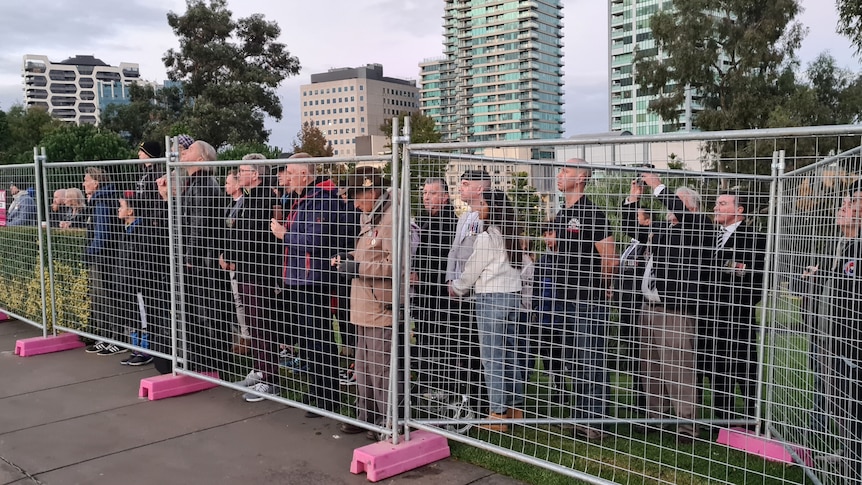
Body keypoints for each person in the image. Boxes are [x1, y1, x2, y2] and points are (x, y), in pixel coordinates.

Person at [622, 174, 710, 444]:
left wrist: (658, 186)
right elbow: (633, 229)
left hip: (674, 310)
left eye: (679, 204)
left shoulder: (699, 226)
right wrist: (633, 198)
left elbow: (682, 213)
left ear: (691, 208)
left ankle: (687, 426)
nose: (672, 209)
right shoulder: (664, 230)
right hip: (648, 308)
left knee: (678, 368)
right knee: (651, 368)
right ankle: (654, 419)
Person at [270, 153, 358, 416]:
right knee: (309, 338)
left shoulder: (321, 200)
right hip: (301, 277)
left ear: (305, 175)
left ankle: (327, 397)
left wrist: (284, 234)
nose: (286, 178)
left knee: (319, 338)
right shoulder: (308, 199)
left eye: (290, 172)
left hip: (313, 278)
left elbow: (316, 241)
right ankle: (318, 390)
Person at [552, 158, 617, 441]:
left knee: (592, 359)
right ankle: (581, 416)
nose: (559, 174)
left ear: (581, 177)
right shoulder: (561, 213)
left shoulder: (592, 212)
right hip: (565, 297)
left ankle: (596, 422)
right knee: (575, 360)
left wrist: (603, 288)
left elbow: (609, 256)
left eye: (565, 170)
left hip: (587, 298)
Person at [448, 189, 524, 432]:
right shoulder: (512, 236)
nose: (477, 208)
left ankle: (497, 413)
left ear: (492, 207)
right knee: (511, 355)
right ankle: (515, 407)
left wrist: (457, 288)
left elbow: (472, 270)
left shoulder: (487, 238)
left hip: (491, 298)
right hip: (513, 296)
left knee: (492, 358)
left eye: (482, 204)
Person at [331, 166, 398, 439]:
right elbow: (368, 253)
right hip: (364, 304)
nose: (354, 203)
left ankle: (388, 423)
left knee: (381, 370)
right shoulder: (372, 215)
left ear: (372, 191)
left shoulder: (391, 217)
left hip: (380, 306)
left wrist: (356, 267)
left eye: (358, 196)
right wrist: (348, 258)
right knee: (363, 368)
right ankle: (367, 417)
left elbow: (395, 264)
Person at [802, 181, 862, 482]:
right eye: (847, 200)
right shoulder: (843, 245)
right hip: (831, 339)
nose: (844, 206)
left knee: (851, 405)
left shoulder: (858, 249)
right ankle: (849, 456)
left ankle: (855, 466)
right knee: (840, 404)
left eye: (853, 202)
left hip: (850, 344)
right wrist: (822, 274)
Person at [702, 192, 766, 427]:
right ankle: (723, 416)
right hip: (708, 314)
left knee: (743, 365)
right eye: (715, 203)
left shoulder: (753, 238)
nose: (715, 207)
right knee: (716, 364)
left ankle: (751, 416)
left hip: (736, 314)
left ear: (739, 210)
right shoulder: (708, 235)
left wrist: (740, 305)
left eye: (722, 203)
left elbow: (756, 278)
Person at [221, 155, 281, 402]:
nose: (239, 173)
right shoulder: (249, 198)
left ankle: (270, 379)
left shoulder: (264, 199)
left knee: (262, 323)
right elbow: (237, 232)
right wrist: (229, 253)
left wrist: (234, 255)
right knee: (254, 323)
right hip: (246, 270)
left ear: (256, 174)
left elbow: (253, 237)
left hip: (259, 271)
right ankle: (259, 369)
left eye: (243, 170)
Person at [178, 140, 229, 373]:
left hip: (203, 261)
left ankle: (213, 362)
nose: (182, 153)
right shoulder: (196, 183)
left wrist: (190, 255)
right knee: (201, 310)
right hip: (202, 259)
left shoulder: (203, 184)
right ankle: (205, 360)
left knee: (208, 310)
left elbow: (199, 224)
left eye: (188, 150)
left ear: (200, 159)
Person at [411, 177, 457, 394]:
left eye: (433, 193)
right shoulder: (423, 220)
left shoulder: (450, 223)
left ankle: (441, 384)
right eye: (425, 193)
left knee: (439, 339)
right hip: (422, 293)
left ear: (445, 197)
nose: (427, 197)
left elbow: (445, 260)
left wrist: (422, 275)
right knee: (423, 336)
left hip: (440, 293)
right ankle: (426, 380)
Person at [81, 168, 123, 355]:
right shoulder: (99, 200)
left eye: (86, 180)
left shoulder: (102, 202)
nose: (83, 183)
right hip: (104, 255)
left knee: (106, 296)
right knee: (99, 297)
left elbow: (102, 234)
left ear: (96, 183)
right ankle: (105, 337)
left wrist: (89, 252)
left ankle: (116, 338)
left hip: (105, 257)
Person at [616, 207, 654, 412]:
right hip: (625, 306)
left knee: (643, 355)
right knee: (632, 353)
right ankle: (636, 398)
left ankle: (644, 403)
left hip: (639, 305)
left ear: (646, 222)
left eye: (636, 217)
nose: (633, 222)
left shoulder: (648, 247)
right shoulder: (632, 245)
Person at [115, 193, 157, 366]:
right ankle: (135, 348)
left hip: (139, 283)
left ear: (131, 210)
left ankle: (146, 349)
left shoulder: (143, 232)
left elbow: (145, 260)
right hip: (127, 282)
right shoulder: (127, 230)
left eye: (122, 206)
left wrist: (137, 279)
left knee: (143, 316)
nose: (118, 210)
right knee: (132, 315)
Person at [135, 140, 164, 224]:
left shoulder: (158, 173)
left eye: (141, 151)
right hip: (142, 214)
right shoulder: (142, 171)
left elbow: (158, 198)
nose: (139, 154)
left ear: (149, 153)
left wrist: (156, 217)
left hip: (151, 217)